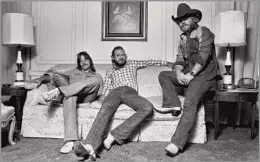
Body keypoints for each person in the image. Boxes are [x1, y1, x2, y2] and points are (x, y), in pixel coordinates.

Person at [73, 46, 174, 161]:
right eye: (118, 55)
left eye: (122, 54)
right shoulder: (110, 71)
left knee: (147, 107)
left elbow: (150, 62)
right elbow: (107, 87)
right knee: (105, 110)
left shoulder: (132, 64)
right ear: (113, 58)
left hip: (130, 92)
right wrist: (102, 99)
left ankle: (114, 136)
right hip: (114, 93)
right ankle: (90, 146)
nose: (121, 57)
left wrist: (166, 63)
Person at [154, 3, 222, 157]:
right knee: (164, 75)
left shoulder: (205, 32)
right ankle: (174, 105)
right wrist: (178, 73)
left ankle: (176, 144)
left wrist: (190, 74)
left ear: (194, 18)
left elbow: (204, 55)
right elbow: (179, 58)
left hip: (205, 76)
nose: (181, 23)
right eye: (178, 21)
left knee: (190, 103)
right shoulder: (183, 38)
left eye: (184, 19)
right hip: (190, 73)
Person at [40, 51, 103, 154]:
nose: (83, 62)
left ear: (90, 61)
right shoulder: (73, 72)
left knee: (95, 81)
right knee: (69, 97)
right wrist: (45, 76)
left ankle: (60, 91)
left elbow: (100, 92)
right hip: (73, 94)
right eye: (80, 61)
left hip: (88, 95)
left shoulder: (97, 75)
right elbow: (54, 74)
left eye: (85, 59)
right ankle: (70, 140)